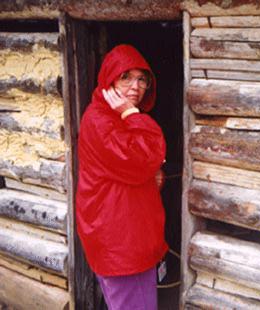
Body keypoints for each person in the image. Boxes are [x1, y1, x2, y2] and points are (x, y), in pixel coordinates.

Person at [76, 44, 167, 310]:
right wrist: (131, 112)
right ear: (108, 79)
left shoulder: (112, 118)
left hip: (124, 237)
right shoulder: (100, 120)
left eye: (142, 79)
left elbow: (138, 163)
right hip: (122, 242)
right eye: (125, 76)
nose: (135, 86)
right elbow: (143, 158)